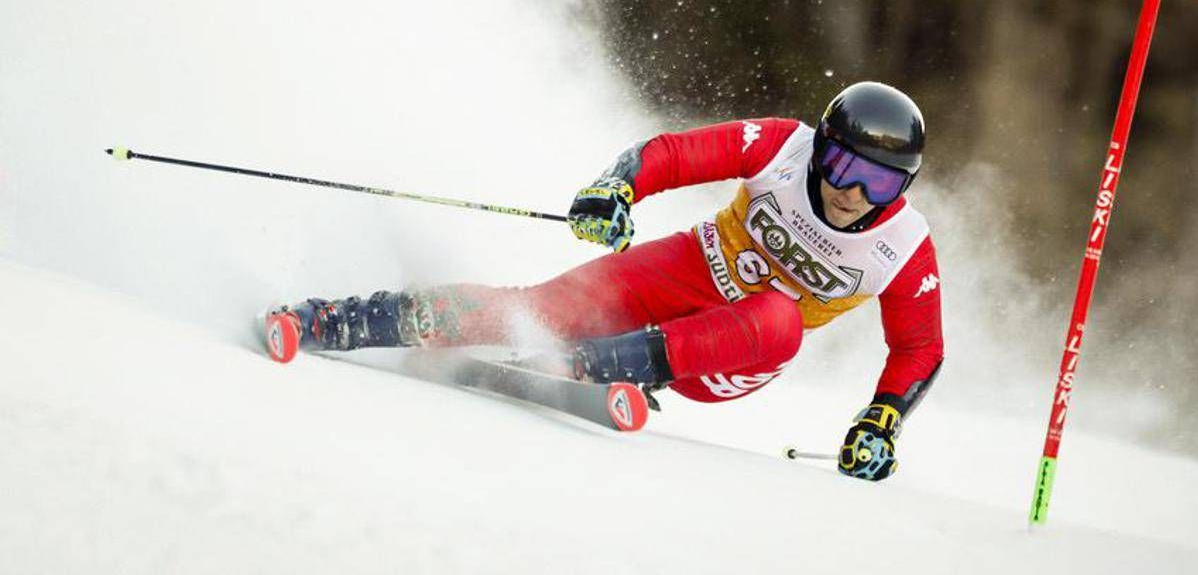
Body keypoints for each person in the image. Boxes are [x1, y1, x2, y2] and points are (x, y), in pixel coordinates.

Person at [267, 81, 943, 481]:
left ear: (902, 188)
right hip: (687, 268)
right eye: (842, 166)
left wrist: (881, 421)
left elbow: (919, 348)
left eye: (879, 182)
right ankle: (341, 319)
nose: (853, 191)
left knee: (781, 318)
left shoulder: (903, 247)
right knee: (541, 308)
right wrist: (616, 188)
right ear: (820, 149)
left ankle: (596, 364)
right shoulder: (782, 147)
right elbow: (675, 153)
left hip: (729, 354)